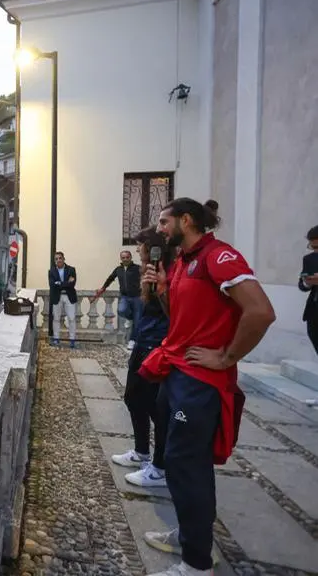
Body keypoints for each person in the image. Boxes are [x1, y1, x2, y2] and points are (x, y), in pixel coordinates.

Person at [139, 199, 276, 576]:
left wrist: (227, 357)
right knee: (176, 458)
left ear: (187, 220)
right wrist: (164, 291)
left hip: (200, 381)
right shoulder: (183, 261)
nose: (160, 229)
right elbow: (180, 321)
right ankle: (189, 534)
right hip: (178, 371)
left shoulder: (219, 256)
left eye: (165, 222)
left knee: (189, 466)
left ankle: (197, 563)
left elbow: (261, 312)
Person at [110, 228, 172, 488]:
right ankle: (141, 452)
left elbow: (174, 312)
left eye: (141, 247)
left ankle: (159, 467)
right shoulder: (147, 273)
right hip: (143, 342)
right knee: (133, 399)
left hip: (157, 346)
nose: (137, 251)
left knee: (157, 410)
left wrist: (161, 287)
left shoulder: (167, 273)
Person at [94, 250, 143, 350]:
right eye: (123, 257)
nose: (125, 259)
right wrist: (103, 288)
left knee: (137, 321)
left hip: (137, 297)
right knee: (121, 310)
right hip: (125, 296)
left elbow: (144, 278)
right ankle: (129, 318)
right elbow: (110, 278)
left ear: (130, 257)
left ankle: (132, 341)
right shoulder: (118, 269)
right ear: (121, 259)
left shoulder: (137, 268)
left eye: (127, 257)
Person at [48, 251, 78, 348]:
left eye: (60, 258)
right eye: (56, 259)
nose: (58, 260)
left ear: (64, 259)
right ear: (54, 261)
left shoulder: (71, 270)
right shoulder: (51, 271)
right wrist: (65, 283)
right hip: (57, 297)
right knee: (56, 318)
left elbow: (72, 284)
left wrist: (59, 283)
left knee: (72, 318)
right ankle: (56, 339)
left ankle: (72, 340)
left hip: (69, 297)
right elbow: (52, 285)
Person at [299, 225, 318, 355]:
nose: (316, 251)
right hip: (314, 312)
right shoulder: (309, 259)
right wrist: (308, 283)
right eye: (313, 247)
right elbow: (302, 284)